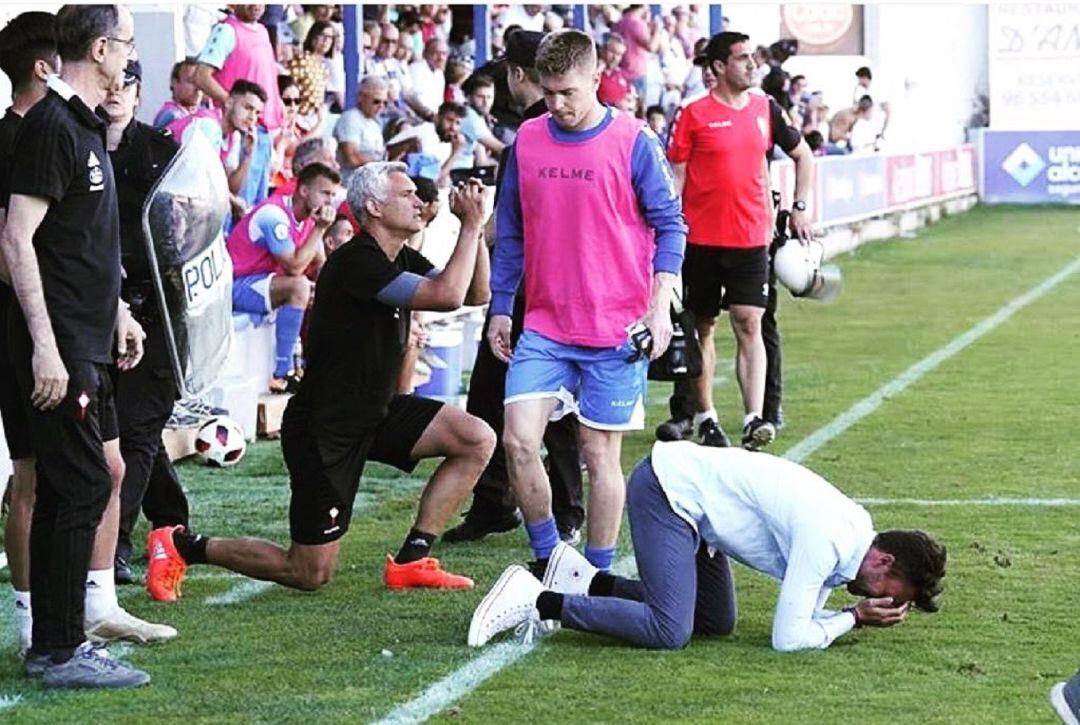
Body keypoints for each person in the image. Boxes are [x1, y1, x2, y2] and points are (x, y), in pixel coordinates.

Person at [145, 164, 496, 597]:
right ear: (374, 207)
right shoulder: (356, 261)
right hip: (325, 427)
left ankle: (412, 559)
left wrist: (474, 233)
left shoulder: (397, 256)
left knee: (475, 438)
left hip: (376, 411)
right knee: (308, 572)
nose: (419, 202)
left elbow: (477, 294)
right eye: (406, 194)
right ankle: (181, 545)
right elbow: (447, 296)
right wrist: (472, 224)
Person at [0, 4, 165, 689]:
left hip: (87, 339)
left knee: (86, 480)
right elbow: (18, 238)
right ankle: (58, 647)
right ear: (99, 49)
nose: (130, 56)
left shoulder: (80, 126)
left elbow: (79, 243)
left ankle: (61, 639)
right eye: (125, 43)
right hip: (61, 346)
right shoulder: (52, 127)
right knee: (82, 482)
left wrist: (119, 311)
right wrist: (45, 344)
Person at [487, 29, 685, 573]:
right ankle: (551, 558)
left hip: (615, 329)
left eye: (568, 92)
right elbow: (511, 231)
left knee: (600, 458)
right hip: (546, 326)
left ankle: (594, 572)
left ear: (597, 79)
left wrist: (660, 300)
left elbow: (672, 226)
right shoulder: (527, 141)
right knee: (519, 442)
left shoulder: (635, 140)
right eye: (548, 92)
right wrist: (502, 305)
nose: (557, 105)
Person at [469, 442, 948, 651]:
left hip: (703, 518)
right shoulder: (828, 539)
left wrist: (844, 619)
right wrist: (854, 618)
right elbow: (787, 640)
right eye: (891, 589)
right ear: (883, 559)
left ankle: (588, 581)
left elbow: (803, 622)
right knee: (668, 629)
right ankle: (537, 600)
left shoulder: (855, 534)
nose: (879, 598)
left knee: (715, 622)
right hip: (667, 490)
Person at [445, 29, 586, 546]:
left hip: (535, 286)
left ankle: (561, 508)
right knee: (500, 394)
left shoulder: (534, 133)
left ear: (517, 74)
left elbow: (511, 226)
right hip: (535, 284)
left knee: (545, 401)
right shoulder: (545, 131)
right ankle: (499, 501)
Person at [657, 32, 814, 450]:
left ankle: (753, 418)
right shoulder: (692, 112)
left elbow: (804, 155)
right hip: (702, 241)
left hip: (752, 239)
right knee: (703, 327)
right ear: (720, 67)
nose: (751, 65)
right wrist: (667, 231)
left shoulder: (766, 108)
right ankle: (706, 416)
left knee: (750, 322)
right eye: (742, 58)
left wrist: (799, 206)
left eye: (752, 58)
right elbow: (676, 175)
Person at [104, 58, 193, 587]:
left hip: (155, 308)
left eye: (128, 84)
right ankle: (172, 515)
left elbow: (184, 232)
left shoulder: (165, 153)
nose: (117, 92)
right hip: (93, 307)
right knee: (125, 429)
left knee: (137, 429)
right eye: (111, 82)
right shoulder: (76, 144)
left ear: (140, 92)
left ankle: (113, 545)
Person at [227, 162, 340, 392]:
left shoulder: (308, 219)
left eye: (333, 195)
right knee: (298, 287)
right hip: (233, 286)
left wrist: (323, 289)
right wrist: (320, 230)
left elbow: (321, 265)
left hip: (259, 284)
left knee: (317, 290)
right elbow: (295, 267)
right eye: (325, 193)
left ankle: (315, 366)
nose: (329, 201)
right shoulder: (274, 214)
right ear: (304, 191)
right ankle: (282, 373)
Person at [194, 4, 283, 131]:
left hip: (265, 126)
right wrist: (232, 103)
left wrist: (278, 102)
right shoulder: (225, 30)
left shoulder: (263, 30)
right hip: (237, 127)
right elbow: (201, 76)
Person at [334, 76, 389, 182]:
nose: (381, 106)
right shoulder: (351, 118)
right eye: (376, 101)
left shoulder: (375, 123)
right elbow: (351, 158)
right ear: (361, 97)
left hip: (374, 180)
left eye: (385, 103)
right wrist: (379, 161)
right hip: (353, 181)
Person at [455, 74, 505, 169]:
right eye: (480, 97)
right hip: (457, 172)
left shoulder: (478, 117)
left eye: (489, 97)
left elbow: (481, 161)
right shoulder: (469, 115)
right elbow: (501, 149)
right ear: (468, 97)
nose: (486, 102)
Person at [406, 37, 449, 121]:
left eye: (444, 54)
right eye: (436, 53)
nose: (441, 58)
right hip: (416, 117)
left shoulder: (439, 74)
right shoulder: (416, 68)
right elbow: (413, 99)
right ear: (425, 53)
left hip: (433, 118)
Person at [596, 32, 632, 107]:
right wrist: (598, 70)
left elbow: (630, 97)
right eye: (612, 52)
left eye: (619, 54)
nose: (615, 58)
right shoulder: (593, 71)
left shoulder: (622, 74)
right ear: (602, 49)